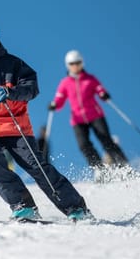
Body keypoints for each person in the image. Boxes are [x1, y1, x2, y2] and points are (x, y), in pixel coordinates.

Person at [0, 18, 91, 221]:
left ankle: (76, 208)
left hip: (16, 126)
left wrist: (11, 92)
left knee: (37, 166)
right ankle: (23, 205)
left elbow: (32, 87)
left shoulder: (13, 64)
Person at [48, 50, 128, 178]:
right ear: (67, 65)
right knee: (83, 145)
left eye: (77, 63)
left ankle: (123, 165)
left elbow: (99, 89)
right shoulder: (65, 83)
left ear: (82, 63)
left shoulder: (90, 79)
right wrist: (54, 104)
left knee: (106, 140)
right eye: (72, 64)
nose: (75, 66)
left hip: (95, 115)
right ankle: (99, 169)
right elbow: (60, 98)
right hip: (77, 119)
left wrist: (103, 94)